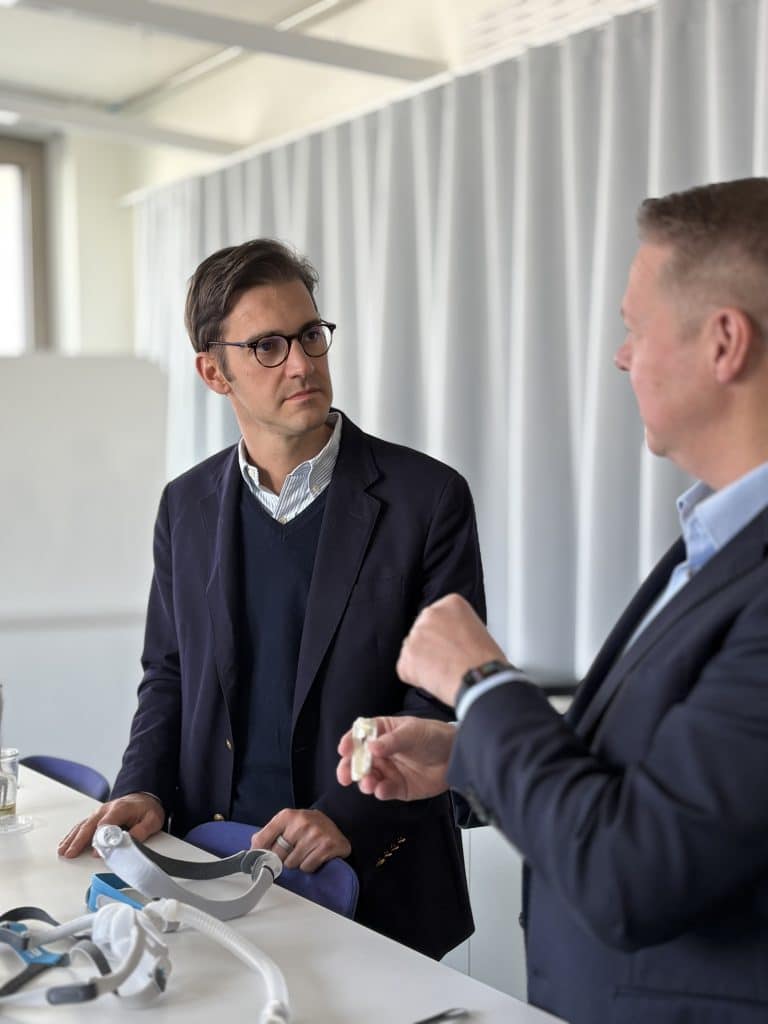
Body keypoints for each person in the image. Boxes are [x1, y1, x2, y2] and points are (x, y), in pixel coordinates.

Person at [338, 178, 768, 1021]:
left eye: (635, 328)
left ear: (724, 343)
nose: (621, 357)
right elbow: (660, 785)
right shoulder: (713, 542)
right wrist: (467, 751)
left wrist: (483, 683)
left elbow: (635, 870)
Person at [59, 238, 485, 959]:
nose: (301, 363)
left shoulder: (428, 498)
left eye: (310, 334)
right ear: (213, 371)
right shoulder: (185, 506)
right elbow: (168, 674)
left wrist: (345, 813)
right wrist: (144, 789)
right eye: (267, 346)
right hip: (209, 869)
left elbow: (439, 698)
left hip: (377, 875)